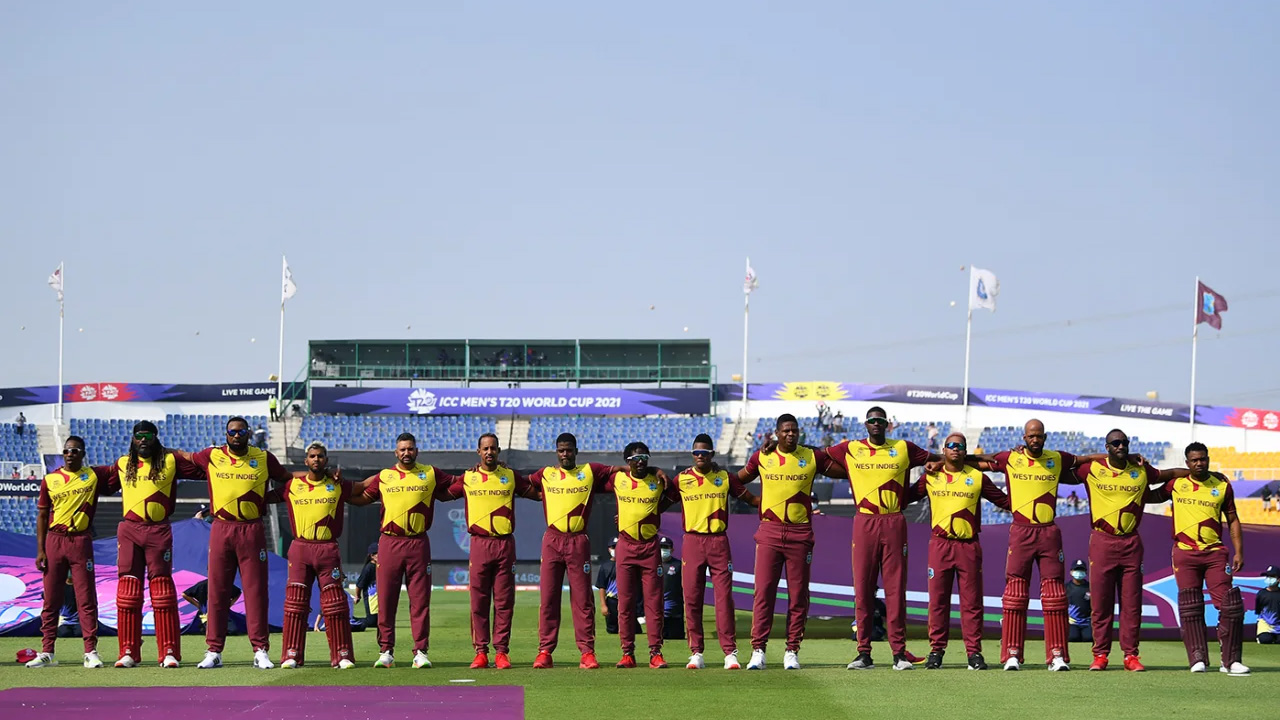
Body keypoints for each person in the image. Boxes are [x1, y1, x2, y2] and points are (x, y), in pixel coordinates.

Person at [966, 419, 1103, 672]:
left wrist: (1114, 454)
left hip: (1048, 531)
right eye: (1031, 436)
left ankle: (1057, 655)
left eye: (1039, 436)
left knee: (1055, 595)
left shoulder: (1057, 458)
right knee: (1015, 593)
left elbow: (1084, 459)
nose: (1035, 440)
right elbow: (980, 460)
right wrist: (946, 459)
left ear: (1045, 437)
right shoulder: (1010, 458)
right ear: (1024, 437)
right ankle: (1012, 654)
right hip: (1021, 530)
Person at [821, 406, 937, 671]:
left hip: (894, 520)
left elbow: (937, 458)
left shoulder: (904, 448)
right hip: (864, 521)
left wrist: (956, 459)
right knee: (863, 589)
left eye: (880, 421)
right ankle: (864, 653)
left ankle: (899, 654)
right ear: (866, 424)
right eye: (872, 421)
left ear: (887, 424)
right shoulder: (850, 448)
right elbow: (817, 457)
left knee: (896, 590)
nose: (876, 424)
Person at [175, 416, 293, 670]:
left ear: (248, 433)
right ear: (226, 434)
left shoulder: (263, 458)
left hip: (251, 529)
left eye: (241, 432)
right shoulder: (212, 455)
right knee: (216, 591)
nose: (237, 436)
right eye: (232, 432)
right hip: (221, 528)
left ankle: (260, 650)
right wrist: (158, 450)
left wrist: (267, 499)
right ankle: (214, 651)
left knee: (255, 591)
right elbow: (183, 456)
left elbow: (289, 481)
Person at [1071, 428, 1189, 672]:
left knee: (1131, 603)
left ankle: (1130, 656)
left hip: (1130, 543)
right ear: (1107, 446)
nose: (1121, 446)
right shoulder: (1092, 469)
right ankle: (1101, 654)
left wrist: (1198, 474)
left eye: (1125, 443)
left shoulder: (1141, 469)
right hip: (1102, 541)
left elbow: (1169, 475)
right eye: (1115, 443)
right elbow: (1066, 464)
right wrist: (1098, 458)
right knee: (1101, 603)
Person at [91, 421, 206, 669]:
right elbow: (98, 483)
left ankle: (169, 652)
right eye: (139, 436)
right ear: (133, 439)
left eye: (148, 435)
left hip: (158, 530)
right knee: (128, 594)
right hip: (130, 531)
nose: (143, 440)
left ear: (156, 438)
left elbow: (205, 469)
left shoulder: (171, 461)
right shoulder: (123, 464)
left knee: (163, 593)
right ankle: (128, 651)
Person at [737, 413, 845, 670]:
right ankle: (758, 650)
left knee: (798, 596)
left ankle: (791, 650)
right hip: (769, 532)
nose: (791, 434)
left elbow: (844, 471)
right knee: (764, 593)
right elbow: (735, 480)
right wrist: (753, 501)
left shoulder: (810, 456)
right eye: (786, 431)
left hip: (800, 534)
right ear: (776, 433)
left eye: (794, 430)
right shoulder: (762, 456)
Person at [354, 432, 460, 669]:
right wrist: (338, 492)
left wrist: (479, 472)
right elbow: (362, 497)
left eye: (410, 449)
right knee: (386, 599)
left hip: (418, 542)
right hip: (389, 543)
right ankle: (386, 651)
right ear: (396, 452)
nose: (406, 453)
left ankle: (420, 652)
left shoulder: (430, 473)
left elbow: (458, 482)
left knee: (420, 600)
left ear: (416, 450)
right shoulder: (385, 476)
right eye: (402, 449)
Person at [1144, 442, 1249, 675]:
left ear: (1208, 459)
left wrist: (1239, 551)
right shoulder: (1177, 484)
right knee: (1191, 607)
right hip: (1184, 553)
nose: (1199, 463)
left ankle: (1230, 661)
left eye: (1203, 459)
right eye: (1194, 460)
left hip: (1215, 553)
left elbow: (1232, 519)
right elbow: (1149, 496)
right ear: (1187, 463)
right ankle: (1197, 659)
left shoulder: (1221, 484)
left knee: (1230, 606)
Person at [526, 433, 626, 669]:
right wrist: (539, 496)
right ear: (556, 452)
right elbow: (522, 485)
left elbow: (621, 473)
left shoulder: (590, 471)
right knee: (548, 598)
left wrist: (648, 470)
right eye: (561, 450)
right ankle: (545, 652)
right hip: (552, 539)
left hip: (578, 540)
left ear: (576, 451)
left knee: (582, 599)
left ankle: (587, 652)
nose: (565, 454)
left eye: (569, 450)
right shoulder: (546, 474)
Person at [910, 432, 1009, 670]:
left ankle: (974, 653)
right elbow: (905, 497)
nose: (955, 449)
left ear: (965, 451)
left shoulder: (976, 477)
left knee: (972, 603)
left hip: (968, 545)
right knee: (938, 601)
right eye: (951, 445)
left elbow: (1006, 502)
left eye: (960, 446)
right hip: (940, 545)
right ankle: (936, 651)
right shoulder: (931, 476)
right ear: (943, 450)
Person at [442, 433, 540, 670]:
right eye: (485, 448)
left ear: (498, 451)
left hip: (505, 544)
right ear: (478, 452)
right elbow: (441, 494)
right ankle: (481, 652)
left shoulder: (509, 476)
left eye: (493, 448)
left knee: (505, 601)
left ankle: (502, 652)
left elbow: (536, 493)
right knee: (479, 600)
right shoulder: (468, 478)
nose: (489, 452)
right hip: (479, 544)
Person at [269, 441, 366, 669]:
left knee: (335, 603)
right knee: (295, 603)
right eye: (312, 456)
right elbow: (264, 496)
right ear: (306, 460)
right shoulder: (292, 485)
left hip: (327, 548)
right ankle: (291, 655)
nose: (316, 460)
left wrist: (387, 476)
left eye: (320, 456)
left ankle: (342, 655)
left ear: (326, 460)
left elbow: (362, 488)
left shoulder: (337, 484)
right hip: (300, 547)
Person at [665, 433, 758, 670]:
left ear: (712, 455)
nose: (699, 457)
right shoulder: (682, 479)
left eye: (704, 453)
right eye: (696, 453)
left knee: (724, 598)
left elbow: (749, 498)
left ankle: (730, 653)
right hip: (693, 542)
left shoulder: (724, 477)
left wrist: (775, 503)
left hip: (718, 542)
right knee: (692, 598)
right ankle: (696, 652)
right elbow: (662, 502)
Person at [27, 437, 107, 669]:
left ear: (82, 454)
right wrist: (41, 550)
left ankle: (91, 651)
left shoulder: (92, 476)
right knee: (51, 599)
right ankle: (47, 652)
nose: (69, 454)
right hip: (55, 541)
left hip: (80, 541)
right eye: (66, 451)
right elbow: (42, 516)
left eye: (74, 451)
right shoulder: (50, 479)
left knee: (86, 598)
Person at [605, 442, 671, 669]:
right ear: (627, 461)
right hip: (626, 546)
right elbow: (596, 477)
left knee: (653, 603)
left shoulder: (658, 481)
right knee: (625, 602)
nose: (641, 461)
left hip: (650, 548)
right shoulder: (618, 480)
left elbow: (675, 494)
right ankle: (627, 653)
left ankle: (655, 653)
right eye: (635, 458)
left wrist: (658, 472)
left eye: (645, 457)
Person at [595, 537, 628, 635]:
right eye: (613, 547)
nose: (616, 550)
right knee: (612, 630)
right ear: (609, 549)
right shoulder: (605, 566)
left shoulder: (627, 564)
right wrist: (603, 605)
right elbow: (602, 587)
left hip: (626, 600)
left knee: (631, 629)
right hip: (612, 600)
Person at [658, 536, 684, 641]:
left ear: (672, 549)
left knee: (676, 636)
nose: (663, 550)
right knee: (659, 637)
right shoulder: (652, 564)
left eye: (666, 547)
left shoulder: (678, 565)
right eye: (661, 547)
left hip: (675, 609)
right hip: (657, 608)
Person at [354, 543, 380, 631]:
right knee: (372, 622)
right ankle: (353, 620)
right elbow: (359, 584)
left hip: (379, 597)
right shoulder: (369, 568)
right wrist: (357, 596)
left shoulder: (380, 566)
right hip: (371, 597)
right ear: (372, 556)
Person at [1066, 560, 1092, 643]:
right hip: (1072, 622)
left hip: (1087, 622)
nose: (1079, 573)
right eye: (1077, 570)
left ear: (1085, 572)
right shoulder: (1066, 587)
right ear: (1071, 572)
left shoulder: (1090, 587)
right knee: (1072, 638)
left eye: (1081, 570)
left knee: (1089, 638)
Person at [1257, 565, 1280, 644]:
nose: (1269, 578)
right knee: (1265, 640)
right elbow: (1258, 610)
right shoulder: (1261, 593)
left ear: (1278, 579)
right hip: (1265, 624)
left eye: (1272, 576)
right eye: (1267, 576)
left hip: (1278, 624)